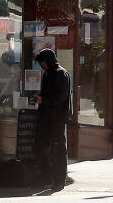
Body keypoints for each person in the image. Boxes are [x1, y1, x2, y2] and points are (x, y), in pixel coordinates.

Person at [34, 48, 71, 193]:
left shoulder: (61, 74)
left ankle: (59, 180)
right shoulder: (47, 73)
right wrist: (40, 96)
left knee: (58, 149)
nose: (41, 65)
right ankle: (46, 175)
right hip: (45, 117)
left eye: (43, 62)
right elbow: (47, 93)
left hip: (57, 117)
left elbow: (60, 97)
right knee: (39, 146)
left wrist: (44, 99)